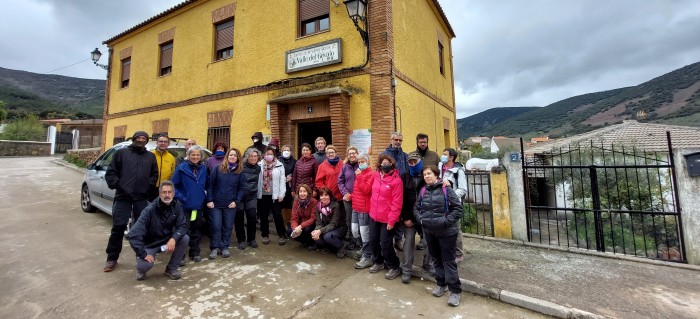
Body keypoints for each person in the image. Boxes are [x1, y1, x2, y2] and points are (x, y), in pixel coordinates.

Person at [103, 130, 158, 272]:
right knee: (118, 227)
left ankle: (141, 254)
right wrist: (119, 186)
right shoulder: (121, 154)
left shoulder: (150, 157)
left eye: (144, 138)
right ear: (134, 139)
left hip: (141, 197)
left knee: (141, 227)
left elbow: (154, 175)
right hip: (123, 196)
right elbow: (111, 173)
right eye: (139, 137)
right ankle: (112, 257)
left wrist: (147, 187)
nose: (141, 140)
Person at [414, 165, 464, 307]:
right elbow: (416, 208)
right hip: (430, 232)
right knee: (436, 260)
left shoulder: (445, 189)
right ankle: (441, 284)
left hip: (447, 232)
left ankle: (455, 291)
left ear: (436, 175)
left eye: (429, 174)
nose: (427, 176)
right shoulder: (423, 190)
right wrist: (421, 220)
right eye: (424, 174)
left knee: (448, 261)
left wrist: (445, 221)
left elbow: (458, 209)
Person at [128, 180, 189, 281]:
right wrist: (143, 254)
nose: (167, 195)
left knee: (185, 238)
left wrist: (174, 239)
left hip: (165, 242)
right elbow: (133, 234)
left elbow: (182, 226)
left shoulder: (177, 206)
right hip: (151, 244)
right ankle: (140, 268)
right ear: (160, 193)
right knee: (144, 266)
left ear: (173, 193)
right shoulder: (150, 210)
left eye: (169, 192)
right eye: (164, 192)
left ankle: (171, 269)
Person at [367, 154, 403, 280]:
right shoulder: (376, 175)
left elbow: (397, 203)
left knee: (386, 244)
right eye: (383, 162)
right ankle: (378, 262)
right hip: (374, 215)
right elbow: (368, 190)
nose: (385, 164)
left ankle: (394, 266)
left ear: (392, 165)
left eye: (388, 162)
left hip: (388, 218)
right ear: (380, 164)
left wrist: (392, 220)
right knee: (373, 241)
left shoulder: (396, 181)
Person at [206, 148, 245, 259]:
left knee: (227, 226)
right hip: (216, 204)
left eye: (235, 155)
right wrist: (209, 200)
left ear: (238, 158)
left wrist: (236, 201)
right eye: (230, 155)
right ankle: (214, 247)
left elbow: (241, 189)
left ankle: (224, 247)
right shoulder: (217, 169)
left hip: (230, 204)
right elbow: (210, 186)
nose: (232, 157)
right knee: (216, 226)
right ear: (227, 156)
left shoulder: (240, 172)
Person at [399, 152, 432, 283]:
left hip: (426, 216)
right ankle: (406, 270)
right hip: (409, 217)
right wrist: (406, 218)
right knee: (408, 242)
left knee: (430, 241)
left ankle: (428, 264)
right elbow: (401, 199)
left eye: (415, 162)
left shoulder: (427, 176)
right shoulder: (404, 177)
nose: (413, 164)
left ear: (420, 162)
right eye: (410, 162)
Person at [172, 145, 208, 263]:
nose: (195, 157)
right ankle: (180, 256)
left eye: (198, 155)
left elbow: (206, 184)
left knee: (196, 230)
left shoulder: (203, 168)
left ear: (201, 156)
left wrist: (205, 196)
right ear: (188, 155)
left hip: (197, 206)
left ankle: (194, 252)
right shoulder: (181, 168)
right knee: (183, 231)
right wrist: (183, 198)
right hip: (184, 206)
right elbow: (173, 186)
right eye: (193, 154)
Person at [438, 147, 468, 262]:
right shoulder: (440, 166)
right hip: (441, 203)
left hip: (453, 205)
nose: (443, 156)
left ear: (451, 157)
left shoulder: (458, 171)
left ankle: (459, 254)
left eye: (445, 154)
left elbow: (463, 189)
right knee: (443, 228)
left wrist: (451, 197)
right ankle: (447, 251)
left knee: (455, 229)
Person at [257, 146, 287, 245]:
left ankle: (281, 235)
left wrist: (282, 194)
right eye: (267, 154)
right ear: (264, 155)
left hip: (275, 195)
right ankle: (265, 235)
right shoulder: (259, 165)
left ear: (274, 155)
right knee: (263, 216)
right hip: (263, 194)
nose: (269, 156)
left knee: (277, 215)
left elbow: (282, 180)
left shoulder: (279, 165)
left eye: (271, 154)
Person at [235, 148, 262, 249]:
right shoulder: (240, 166)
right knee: (239, 218)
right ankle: (241, 240)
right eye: (251, 156)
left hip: (251, 196)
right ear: (247, 157)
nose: (253, 158)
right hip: (240, 196)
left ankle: (251, 239)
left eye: (255, 156)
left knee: (252, 217)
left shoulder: (258, 168)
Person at [351, 154, 374, 268]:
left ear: (368, 162)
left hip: (365, 209)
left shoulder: (371, 174)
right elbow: (357, 190)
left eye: (363, 161)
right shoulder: (359, 174)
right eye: (359, 162)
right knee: (355, 231)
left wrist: (359, 177)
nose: (360, 164)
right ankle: (363, 248)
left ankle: (368, 256)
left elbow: (366, 190)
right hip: (355, 207)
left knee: (365, 234)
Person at [311, 188, 347, 258]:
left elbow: (333, 224)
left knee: (327, 236)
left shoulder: (336, 205)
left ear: (330, 196)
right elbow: (319, 223)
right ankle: (328, 247)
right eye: (321, 195)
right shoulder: (318, 206)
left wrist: (320, 231)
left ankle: (340, 246)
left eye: (326, 195)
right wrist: (316, 231)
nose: (323, 197)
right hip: (327, 227)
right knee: (314, 235)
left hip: (339, 227)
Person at [338, 146, 360, 250]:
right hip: (348, 198)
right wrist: (345, 193)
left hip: (360, 199)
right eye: (350, 153)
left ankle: (360, 241)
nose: (352, 155)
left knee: (360, 220)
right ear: (347, 155)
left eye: (354, 153)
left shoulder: (361, 165)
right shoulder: (345, 167)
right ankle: (352, 240)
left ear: (357, 154)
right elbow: (340, 181)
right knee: (350, 219)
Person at [288, 184, 318, 250]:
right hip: (300, 223)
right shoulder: (296, 202)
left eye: (304, 191)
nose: (302, 193)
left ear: (308, 192)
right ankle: (304, 241)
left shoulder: (314, 202)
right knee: (290, 231)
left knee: (307, 229)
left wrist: (301, 226)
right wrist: (295, 228)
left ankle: (312, 242)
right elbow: (294, 217)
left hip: (311, 223)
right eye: (300, 191)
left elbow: (313, 218)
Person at [151, 134, 176, 200]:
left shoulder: (171, 157)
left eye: (165, 142)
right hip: (151, 188)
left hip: (164, 189)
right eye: (161, 141)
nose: (163, 143)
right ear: (157, 143)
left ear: (168, 144)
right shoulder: (150, 155)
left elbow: (172, 172)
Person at [279, 144, 297, 229]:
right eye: (284, 150)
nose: (286, 152)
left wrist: (292, 177)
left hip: (290, 186)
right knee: (281, 205)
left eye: (288, 150)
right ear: (281, 152)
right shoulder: (278, 161)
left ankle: (289, 223)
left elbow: (297, 172)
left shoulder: (295, 161)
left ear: (291, 152)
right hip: (280, 187)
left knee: (289, 204)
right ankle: (282, 223)